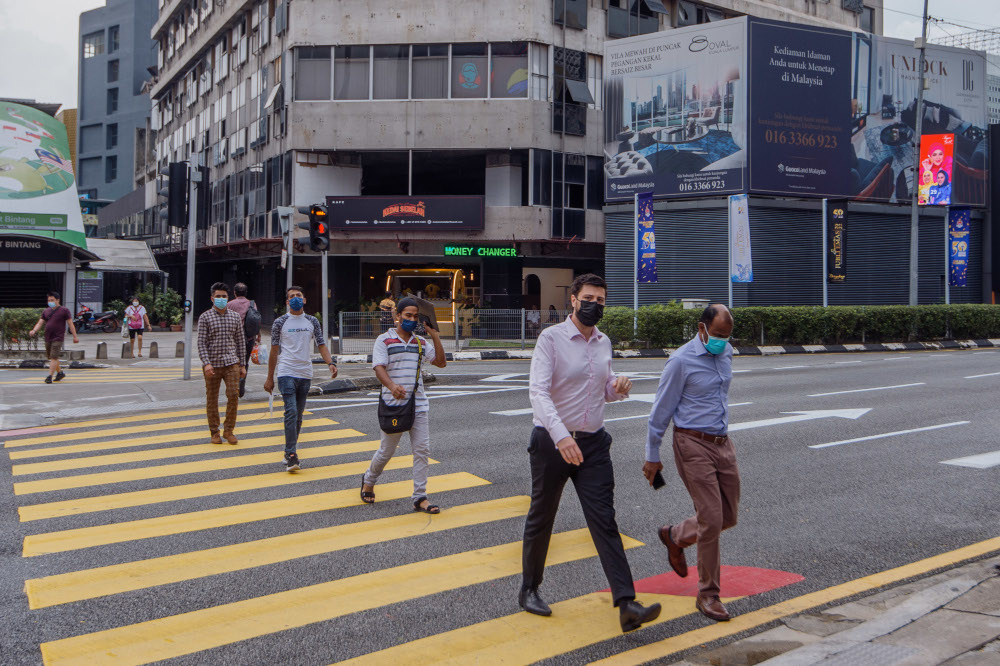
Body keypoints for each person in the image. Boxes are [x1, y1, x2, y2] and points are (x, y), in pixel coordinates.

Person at [520, 274, 661, 633]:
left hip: (594, 443)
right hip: (553, 443)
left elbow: (602, 390)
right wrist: (561, 436)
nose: (594, 304)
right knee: (542, 516)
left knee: (604, 520)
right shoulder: (550, 339)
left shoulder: (603, 342)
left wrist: (618, 387)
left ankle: (626, 603)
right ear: (572, 300)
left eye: (600, 300)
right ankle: (530, 589)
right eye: (588, 297)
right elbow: (538, 392)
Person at [644, 304, 739, 622]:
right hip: (691, 443)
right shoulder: (681, 361)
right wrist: (652, 455)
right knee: (711, 519)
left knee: (728, 516)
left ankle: (675, 536)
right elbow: (661, 410)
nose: (722, 341)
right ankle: (708, 595)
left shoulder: (726, 353)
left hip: (722, 443)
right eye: (717, 335)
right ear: (702, 328)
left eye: (727, 336)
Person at [361, 297, 447, 513]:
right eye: (407, 315)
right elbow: (378, 367)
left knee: (422, 450)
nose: (411, 320)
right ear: (397, 316)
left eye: (415, 316)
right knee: (386, 451)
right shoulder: (384, 340)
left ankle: (420, 497)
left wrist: (435, 335)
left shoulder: (420, 342)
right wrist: (391, 386)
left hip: (418, 405)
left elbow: (440, 362)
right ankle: (369, 479)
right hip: (394, 405)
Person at [263, 286, 338, 472]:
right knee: (291, 412)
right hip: (286, 371)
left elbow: (321, 344)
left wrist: (331, 362)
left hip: (305, 373)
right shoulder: (280, 322)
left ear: (304, 300)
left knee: (298, 417)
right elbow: (274, 350)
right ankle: (291, 455)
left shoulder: (312, 321)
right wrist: (269, 378)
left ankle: (289, 450)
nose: (295, 298)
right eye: (291, 296)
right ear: (287, 302)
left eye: (298, 296)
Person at [197, 282, 247, 445]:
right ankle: (214, 432)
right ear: (212, 298)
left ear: (228, 298)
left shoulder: (234, 317)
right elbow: (201, 343)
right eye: (218, 296)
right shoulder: (205, 317)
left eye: (224, 297)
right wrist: (206, 363)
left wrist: (243, 364)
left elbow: (240, 341)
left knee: (233, 395)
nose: (221, 299)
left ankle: (229, 430)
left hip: (232, 363)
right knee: (212, 398)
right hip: (212, 364)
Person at [28, 291, 78, 384]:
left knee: (54, 357)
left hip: (58, 337)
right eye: (49, 300)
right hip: (48, 337)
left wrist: (75, 336)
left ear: (57, 300)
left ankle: (49, 376)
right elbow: (40, 322)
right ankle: (60, 373)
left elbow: (70, 323)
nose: (50, 301)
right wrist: (34, 330)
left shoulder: (64, 310)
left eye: (52, 300)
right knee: (51, 357)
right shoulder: (46, 311)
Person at [226, 282, 261, 397]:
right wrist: (258, 334)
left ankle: (233, 384)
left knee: (232, 362)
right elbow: (255, 320)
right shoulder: (252, 304)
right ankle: (241, 384)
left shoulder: (230, 304)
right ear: (246, 293)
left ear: (234, 292)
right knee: (244, 362)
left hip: (232, 338)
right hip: (248, 338)